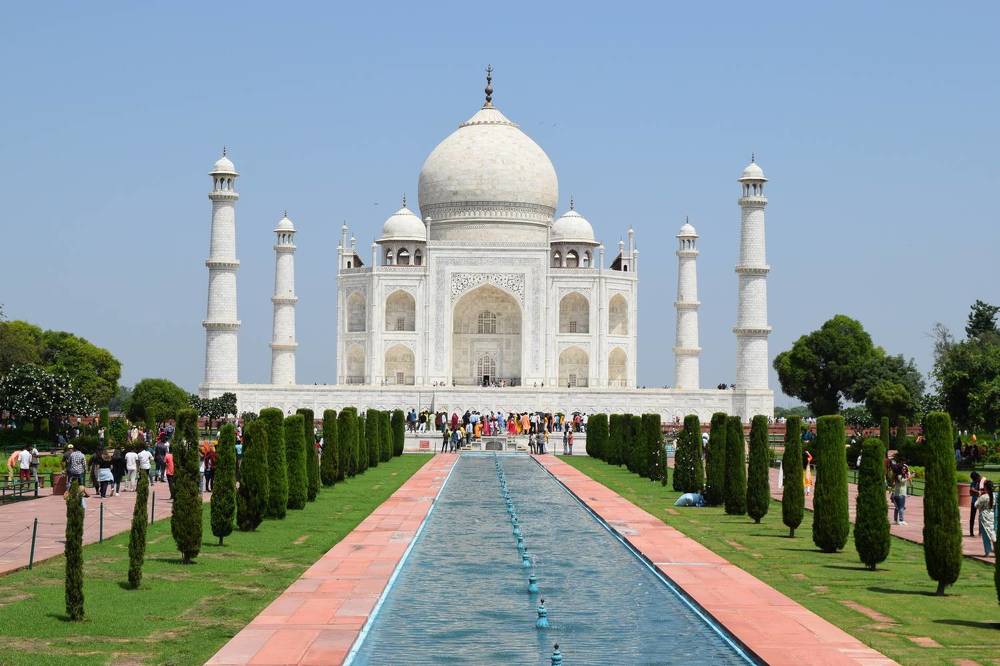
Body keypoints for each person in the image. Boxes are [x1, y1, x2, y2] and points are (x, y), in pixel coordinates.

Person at [974, 480, 995, 557]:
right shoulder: (994, 496)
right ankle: (995, 550)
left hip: (984, 516)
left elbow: (976, 505)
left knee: (986, 535)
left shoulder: (983, 497)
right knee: (992, 533)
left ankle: (987, 552)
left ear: (985, 487)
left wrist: (979, 495)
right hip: (992, 516)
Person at [890, 460, 910, 525]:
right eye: (903, 469)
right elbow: (902, 481)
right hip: (900, 494)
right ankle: (901, 520)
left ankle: (896, 520)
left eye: (905, 469)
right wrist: (910, 477)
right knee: (901, 507)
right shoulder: (899, 476)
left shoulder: (899, 475)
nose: (904, 470)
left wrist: (908, 473)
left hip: (897, 494)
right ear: (900, 469)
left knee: (897, 508)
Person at [969, 471, 984, 537]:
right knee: (972, 517)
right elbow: (971, 492)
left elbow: (983, 491)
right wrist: (978, 492)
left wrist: (976, 492)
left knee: (981, 517)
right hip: (974, 502)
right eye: (973, 479)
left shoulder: (982, 482)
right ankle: (971, 532)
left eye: (974, 479)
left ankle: (980, 532)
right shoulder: (973, 482)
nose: (974, 480)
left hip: (981, 502)